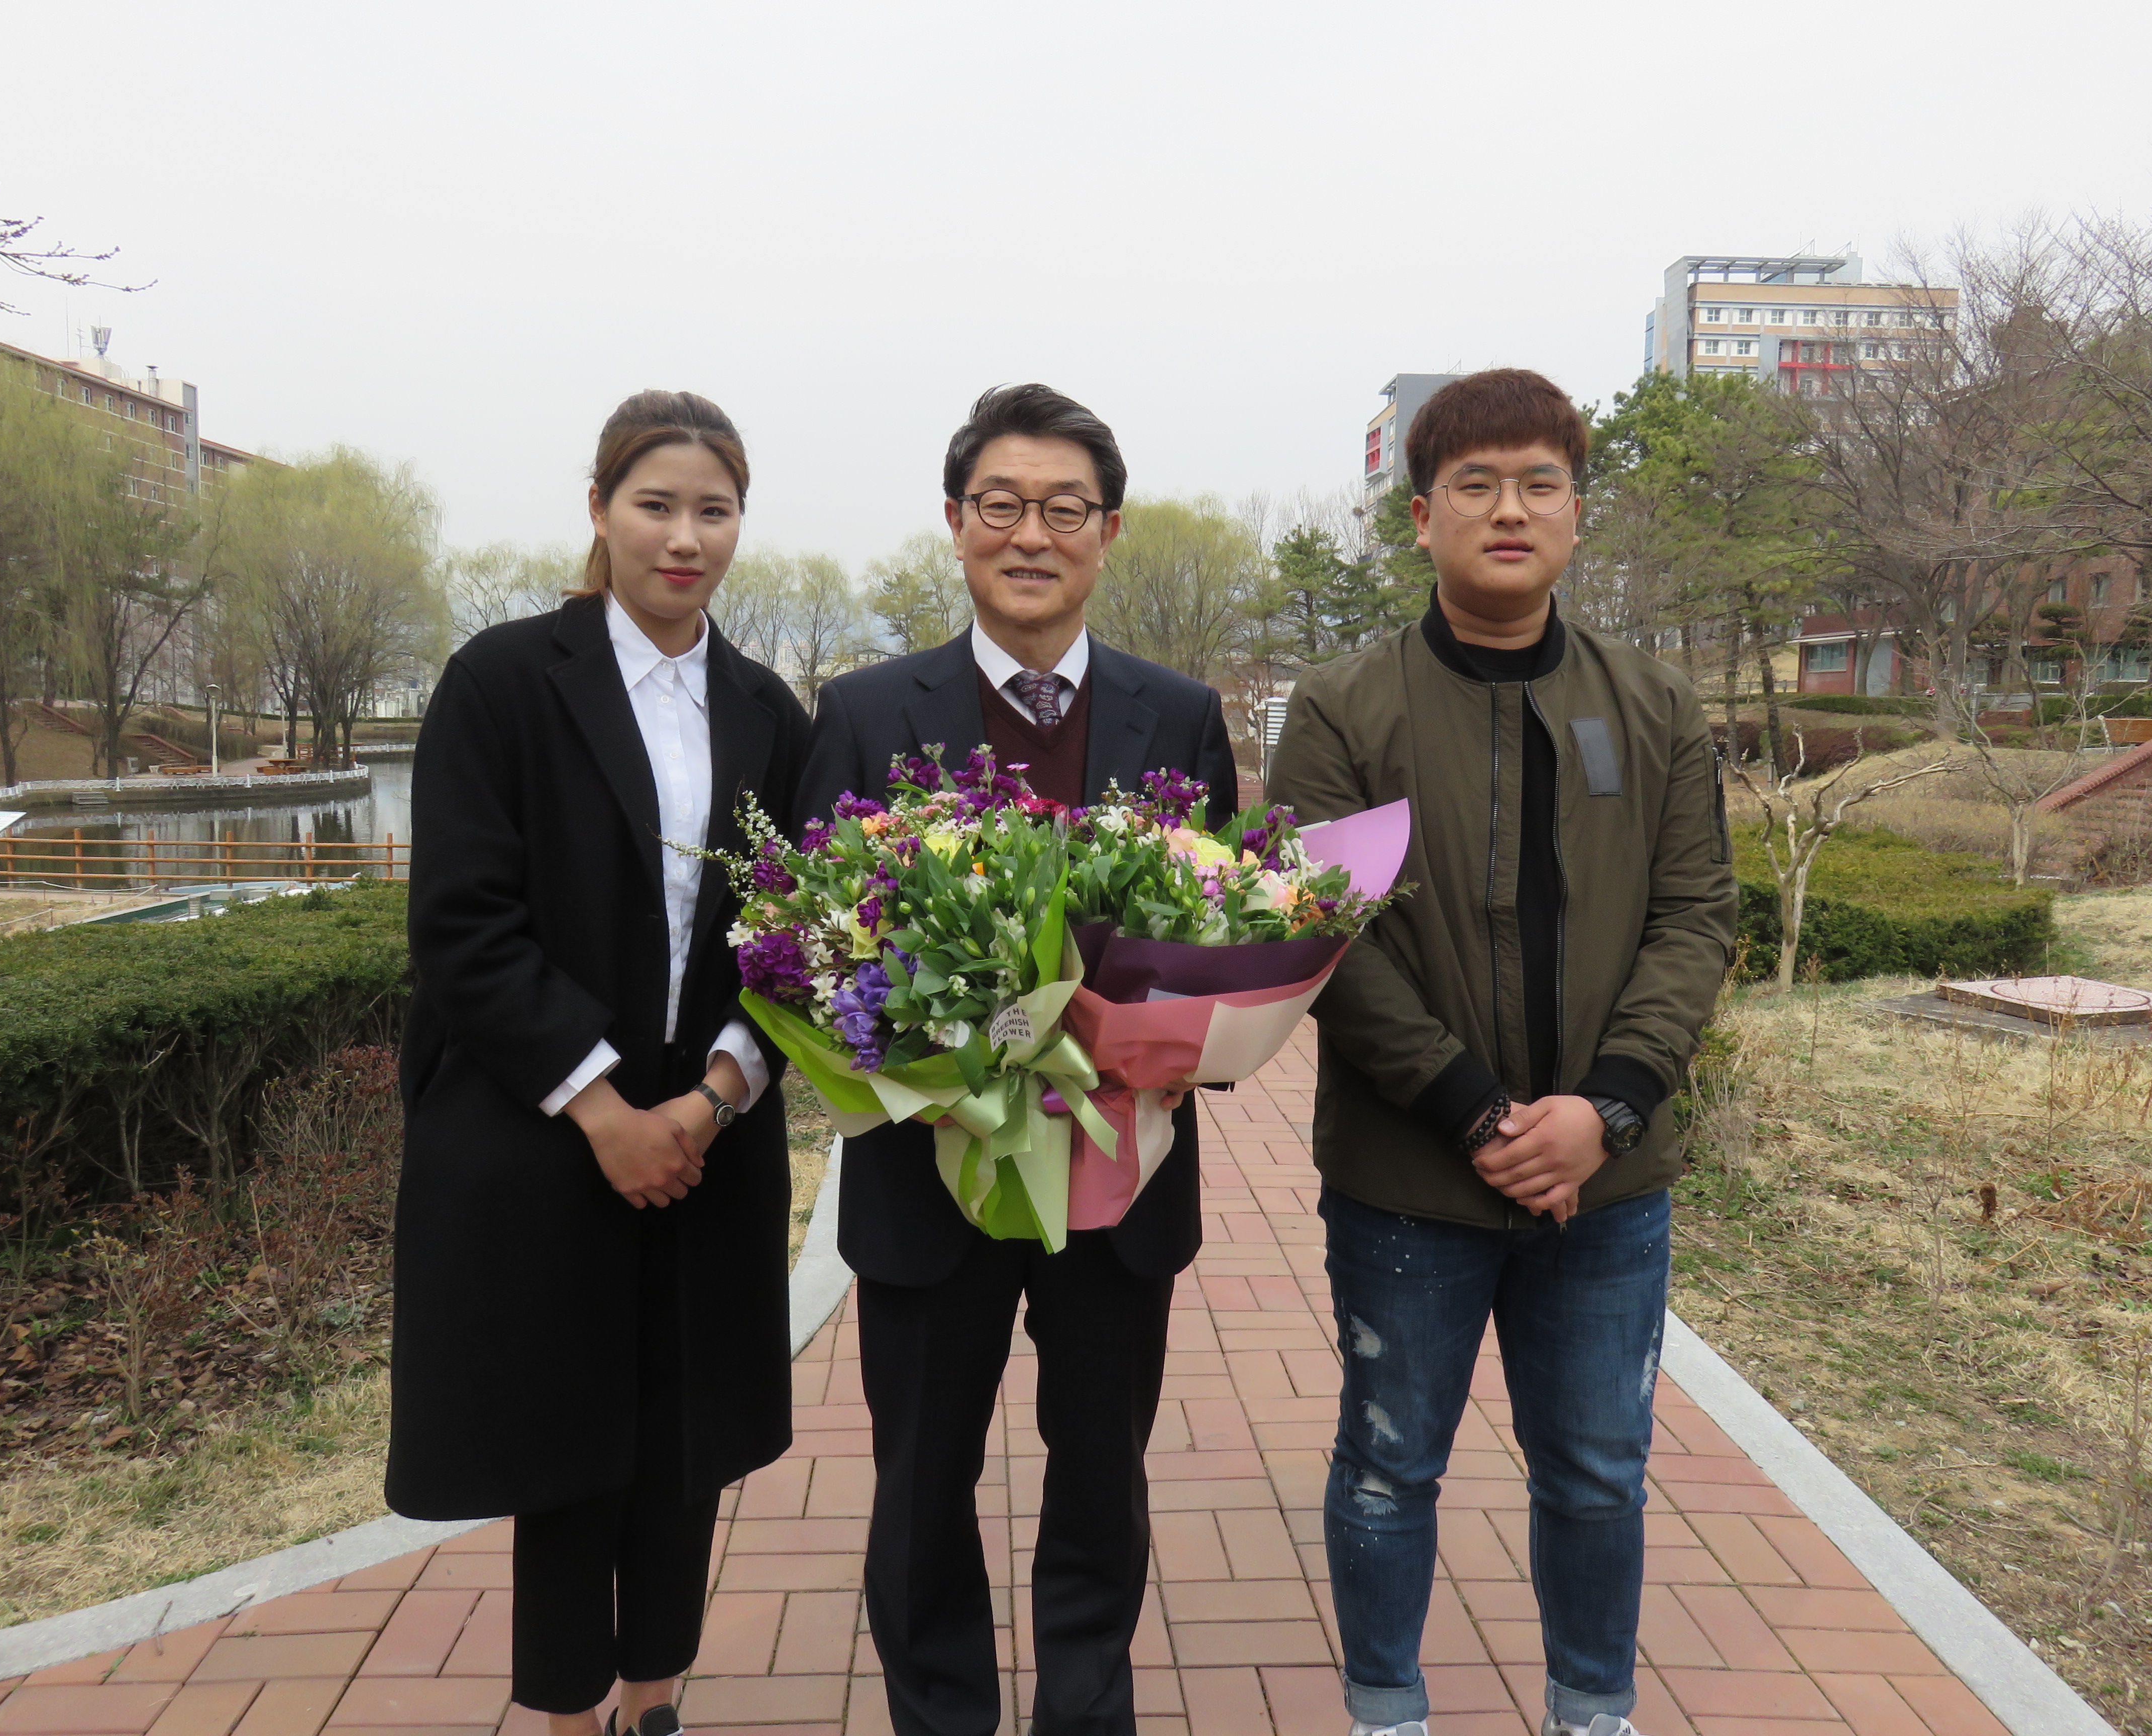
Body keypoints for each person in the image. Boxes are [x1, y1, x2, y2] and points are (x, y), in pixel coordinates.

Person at [1267, 370, 1737, 1736]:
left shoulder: (1654, 704)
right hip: (1411, 1176)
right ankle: (1386, 1708)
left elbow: (1695, 915)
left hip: (1608, 1182)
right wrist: (1476, 1111)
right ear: (1422, 517)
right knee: (1390, 1464)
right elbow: (1320, 927)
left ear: (1579, 512)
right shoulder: (1344, 707)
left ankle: (1595, 1708)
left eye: (1540, 482)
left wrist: (1610, 1107)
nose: (1509, 509)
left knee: (1597, 1470)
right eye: (1474, 485)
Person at [795, 383, 1237, 1736]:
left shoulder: (1182, 713)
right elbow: (810, 945)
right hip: (930, 1180)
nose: (1031, 535)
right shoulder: (866, 711)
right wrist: (908, 1053)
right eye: (1002, 504)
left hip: (1120, 1172)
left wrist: (1187, 1047)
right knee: (919, 1484)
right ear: (955, 521)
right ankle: (941, 1715)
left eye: (1063, 509)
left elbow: (1226, 932)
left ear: (1109, 531)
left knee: (1102, 1478)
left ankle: (1085, 1713)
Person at [388, 391, 812, 1736]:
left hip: (707, 1134)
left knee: (683, 1439)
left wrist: (716, 1096)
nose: (685, 538)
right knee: (565, 1447)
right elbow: (464, 923)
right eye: (656, 505)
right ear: (599, 510)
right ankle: (571, 1711)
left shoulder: (766, 709)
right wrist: (605, 1108)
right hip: (547, 1132)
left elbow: (802, 934)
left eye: (714, 510)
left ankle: (655, 1697)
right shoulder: (505, 682)